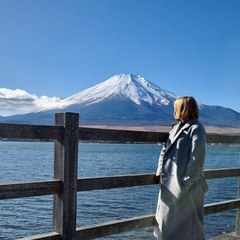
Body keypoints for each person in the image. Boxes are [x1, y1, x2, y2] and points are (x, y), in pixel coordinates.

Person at [154, 96, 208, 240]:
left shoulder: (197, 128)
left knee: (188, 229)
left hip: (188, 187)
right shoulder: (176, 127)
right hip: (169, 185)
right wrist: (160, 173)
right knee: (166, 225)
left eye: (176, 108)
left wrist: (185, 184)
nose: (174, 110)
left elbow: (197, 159)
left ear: (183, 109)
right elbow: (164, 151)